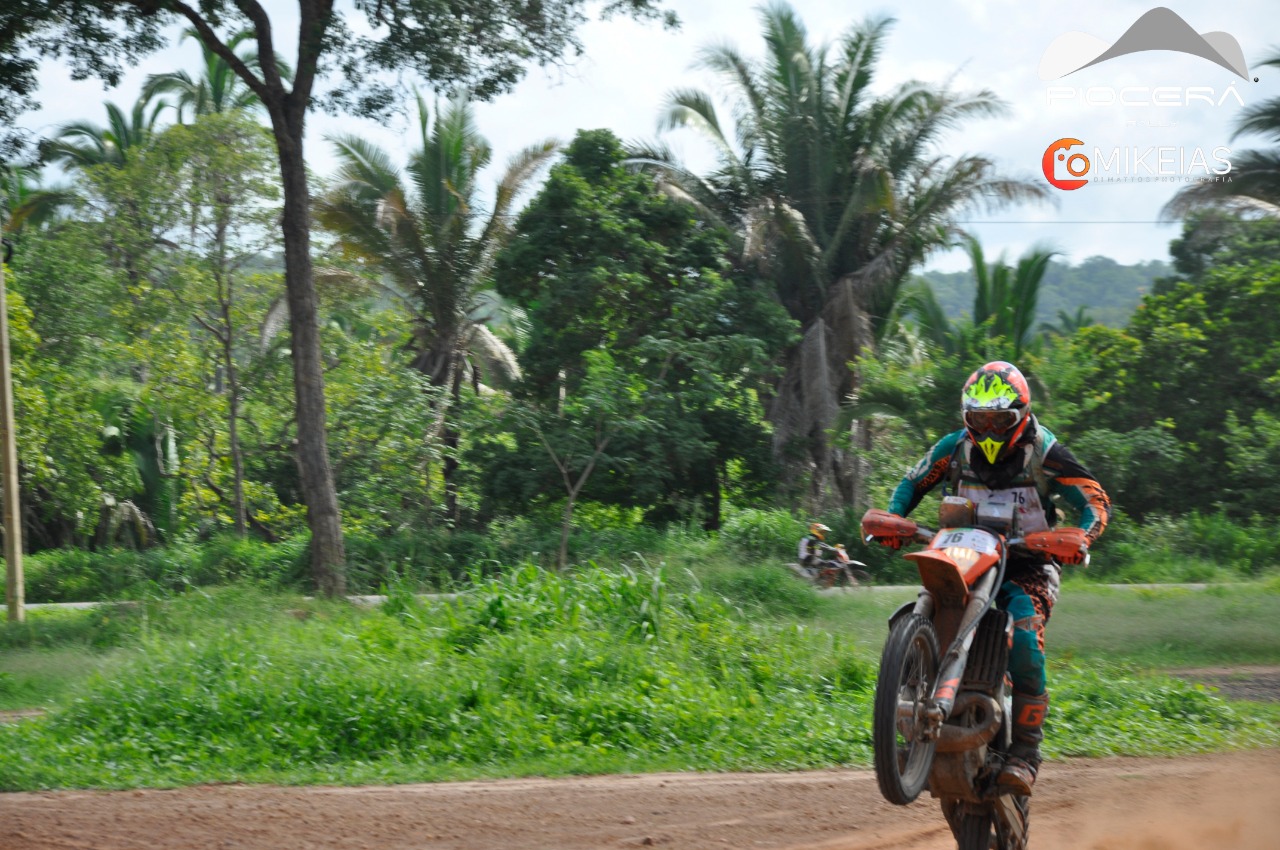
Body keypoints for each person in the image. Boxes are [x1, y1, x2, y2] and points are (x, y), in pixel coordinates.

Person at [866, 360, 1111, 795]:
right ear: (967, 417)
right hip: (961, 551)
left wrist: (1082, 536)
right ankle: (905, 715)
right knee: (921, 607)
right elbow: (912, 483)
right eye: (980, 418)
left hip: (1028, 561)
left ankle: (1025, 753)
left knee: (1026, 638)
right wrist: (894, 519)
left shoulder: (1046, 451)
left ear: (1020, 415)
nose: (990, 428)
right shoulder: (953, 447)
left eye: (1000, 419)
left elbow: (1094, 498)